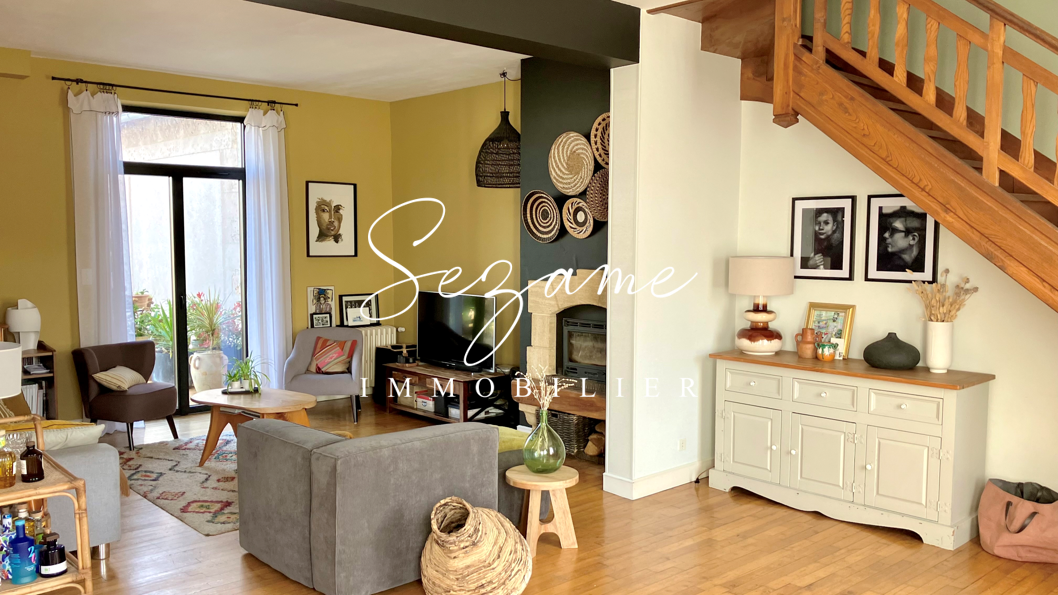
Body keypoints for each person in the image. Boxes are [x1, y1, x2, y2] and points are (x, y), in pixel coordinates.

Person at [878, 207, 927, 272]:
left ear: (913, 239)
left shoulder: (926, 265)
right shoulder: (886, 264)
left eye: (893, 230)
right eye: (887, 229)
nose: (885, 235)